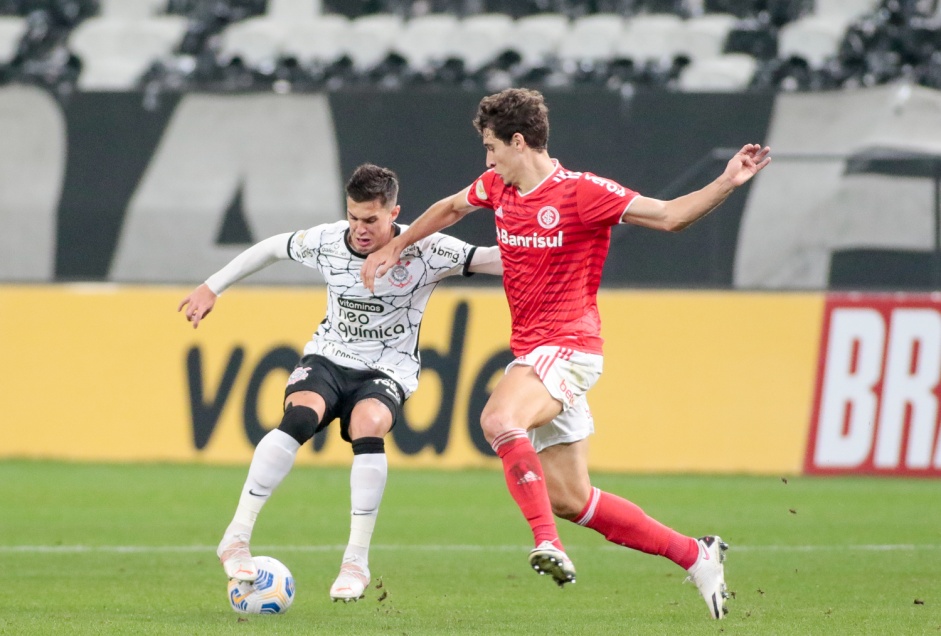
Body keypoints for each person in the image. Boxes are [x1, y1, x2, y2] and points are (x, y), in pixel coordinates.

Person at [361, 88, 771, 620]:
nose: (486, 160)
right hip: (537, 353)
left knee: (498, 417)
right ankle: (696, 554)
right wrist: (399, 244)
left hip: (570, 347)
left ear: (517, 141)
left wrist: (726, 181)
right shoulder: (498, 187)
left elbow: (670, 216)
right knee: (572, 498)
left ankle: (547, 543)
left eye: (491, 147)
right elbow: (450, 207)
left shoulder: (581, 193)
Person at [178, 163, 501, 602]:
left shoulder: (426, 250)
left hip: (387, 370)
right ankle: (236, 537)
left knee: (369, 423)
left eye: (371, 219)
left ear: (394, 213)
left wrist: (551, 251)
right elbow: (272, 247)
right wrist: (212, 287)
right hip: (329, 357)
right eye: (353, 217)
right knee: (300, 415)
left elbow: (488, 259)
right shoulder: (328, 241)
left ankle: (355, 561)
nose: (360, 229)